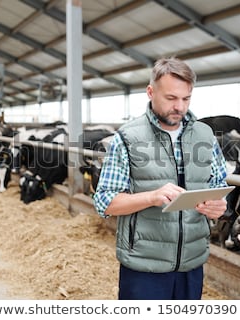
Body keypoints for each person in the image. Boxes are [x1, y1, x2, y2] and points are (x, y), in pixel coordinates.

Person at [92, 57, 229, 300]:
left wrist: (218, 206)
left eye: (186, 98)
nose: (180, 107)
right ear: (150, 92)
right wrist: (151, 197)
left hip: (191, 263)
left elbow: (218, 186)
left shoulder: (205, 135)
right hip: (144, 267)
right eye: (171, 98)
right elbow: (104, 202)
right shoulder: (127, 138)